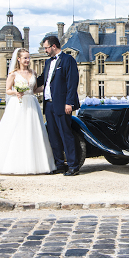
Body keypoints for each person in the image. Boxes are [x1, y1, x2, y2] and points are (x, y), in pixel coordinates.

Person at [0, 48, 56, 175]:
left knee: (33, 132)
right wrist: (16, 92)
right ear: (19, 59)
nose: (27, 60)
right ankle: (14, 164)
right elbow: (7, 90)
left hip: (32, 103)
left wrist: (49, 87)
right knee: (17, 131)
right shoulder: (13, 74)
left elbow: (34, 89)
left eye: (28, 58)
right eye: (25, 58)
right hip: (18, 104)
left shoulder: (33, 72)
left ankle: (37, 164)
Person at [38, 35, 81, 176]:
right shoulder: (48, 62)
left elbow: (72, 83)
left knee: (66, 134)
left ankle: (73, 166)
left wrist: (69, 103)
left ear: (54, 46)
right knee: (53, 136)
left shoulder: (68, 60)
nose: (45, 50)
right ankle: (59, 165)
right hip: (49, 105)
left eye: (46, 48)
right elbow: (41, 80)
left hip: (62, 104)